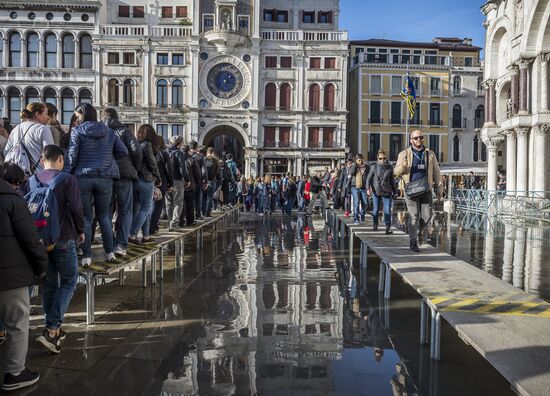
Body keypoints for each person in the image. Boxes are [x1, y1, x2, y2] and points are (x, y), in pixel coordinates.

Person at [0, 164, 48, 391]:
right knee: (18, 323)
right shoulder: (12, 199)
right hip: (11, 275)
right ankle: (15, 373)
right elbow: (30, 239)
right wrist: (40, 266)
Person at [33, 145, 84, 353]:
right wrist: (80, 230)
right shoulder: (67, 180)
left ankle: (52, 328)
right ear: (61, 159)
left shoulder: (32, 180)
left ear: (41, 159)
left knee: (49, 284)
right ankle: (52, 328)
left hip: (41, 240)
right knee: (70, 280)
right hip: (63, 237)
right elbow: (77, 209)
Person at [68, 103, 128, 265]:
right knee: (104, 217)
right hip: (105, 177)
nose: (77, 119)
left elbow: (72, 157)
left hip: (83, 177)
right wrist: (107, 157)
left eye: (78, 116)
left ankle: (87, 255)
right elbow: (123, 151)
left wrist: (67, 174)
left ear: (84, 115)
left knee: (87, 218)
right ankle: (109, 252)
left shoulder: (77, 131)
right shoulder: (108, 131)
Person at [102, 108, 142, 257]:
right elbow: (136, 151)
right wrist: (133, 168)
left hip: (105, 174)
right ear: (116, 118)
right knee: (125, 209)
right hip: (124, 174)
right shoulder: (124, 131)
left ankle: (110, 243)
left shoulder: (100, 131)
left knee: (106, 209)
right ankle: (121, 244)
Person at [394, 129, 442, 252]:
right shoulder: (403, 154)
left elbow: (436, 171)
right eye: (416, 138)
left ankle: (418, 230)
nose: (419, 140)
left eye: (421, 137)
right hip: (411, 190)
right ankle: (413, 241)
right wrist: (403, 167)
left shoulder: (430, 154)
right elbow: (396, 173)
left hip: (426, 189)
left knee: (428, 215)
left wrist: (439, 188)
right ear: (411, 140)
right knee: (414, 216)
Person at [129, 125, 160, 245]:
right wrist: (158, 177)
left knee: (139, 209)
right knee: (146, 208)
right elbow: (152, 162)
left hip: (135, 180)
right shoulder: (147, 145)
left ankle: (146, 236)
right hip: (146, 179)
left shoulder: (135, 145)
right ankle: (132, 235)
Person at [4, 103, 54, 176]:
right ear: (37, 114)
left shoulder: (16, 129)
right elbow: (50, 154)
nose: (48, 118)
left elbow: (6, 152)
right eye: (46, 114)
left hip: (17, 177)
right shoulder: (43, 129)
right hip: (37, 176)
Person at [366, 149, 397, 234]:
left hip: (387, 191)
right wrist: (368, 189)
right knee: (375, 210)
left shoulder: (390, 167)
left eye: (384, 158)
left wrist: (395, 192)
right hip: (376, 191)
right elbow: (368, 179)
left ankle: (388, 228)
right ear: (377, 158)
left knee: (387, 210)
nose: (383, 160)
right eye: (381, 158)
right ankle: (375, 225)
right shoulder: (374, 167)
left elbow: (392, 181)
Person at [150, 136, 173, 235]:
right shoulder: (163, 153)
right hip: (161, 182)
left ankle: (146, 227)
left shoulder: (148, 152)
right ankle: (153, 227)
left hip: (149, 180)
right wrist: (170, 184)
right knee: (158, 205)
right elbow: (168, 169)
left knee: (147, 205)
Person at [166, 135, 189, 231]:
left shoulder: (166, 152)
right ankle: (174, 223)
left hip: (167, 180)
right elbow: (182, 168)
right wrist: (186, 179)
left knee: (168, 202)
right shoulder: (179, 153)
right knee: (178, 201)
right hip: (177, 180)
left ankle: (169, 222)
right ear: (179, 143)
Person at [182, 144, 201, 226]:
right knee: (190, 203)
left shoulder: (179, 159)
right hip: (191, 184)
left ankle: (181, 221)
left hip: (180, 184)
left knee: (180, 203)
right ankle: (190, 221)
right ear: (189, 150)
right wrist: (197, 182)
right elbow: (197, 173)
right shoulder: (192, 159)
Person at [349, 154, 369, 225]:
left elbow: (369, 178)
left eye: (361, 160)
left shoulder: (367, 167)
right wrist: (355, 165)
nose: (360, 161)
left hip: (363, 188)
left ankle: (362, 214)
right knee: (356, 203)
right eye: (358, 160)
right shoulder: (353, 166)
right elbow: (351, 173)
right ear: (356, 160)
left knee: (365, 203)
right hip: (354, 187)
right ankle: (356, 219)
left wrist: (369, 187)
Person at [189, 141, 206, 220]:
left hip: (188, 180)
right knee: (197, 198)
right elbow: (203, 170)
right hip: (197, 180)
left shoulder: (186, 154)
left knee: (188, 199)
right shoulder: (199, 156)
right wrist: (205, 180)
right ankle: (198, 215)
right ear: (196, 147)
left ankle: (188, 215)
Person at [203, 147, 219, 217]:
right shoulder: (215, 160)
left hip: (204, 181)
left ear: (207, 152)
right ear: (213, 152)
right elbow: (217, 171)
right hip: (212, 180)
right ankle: (207, 213)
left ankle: (202, 212)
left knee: (203, 197)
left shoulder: (203, 159)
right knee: (210, 197)